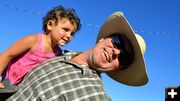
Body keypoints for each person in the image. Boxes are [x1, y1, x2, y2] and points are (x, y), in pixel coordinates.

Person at [6, 12, 148, 101]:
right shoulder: (57, 54)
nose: (117, 52)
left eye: (124, 58)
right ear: (103, 38)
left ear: (119, 68)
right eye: (118, 42)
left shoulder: (94, 94)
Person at [0, 5, 81, 91]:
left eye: (72, 33)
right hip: (5, 82)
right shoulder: (33, 40)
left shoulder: (58, 54)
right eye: (65, 29)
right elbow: (7, 54)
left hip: (20, 91)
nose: (69, 36)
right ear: (50, 25)